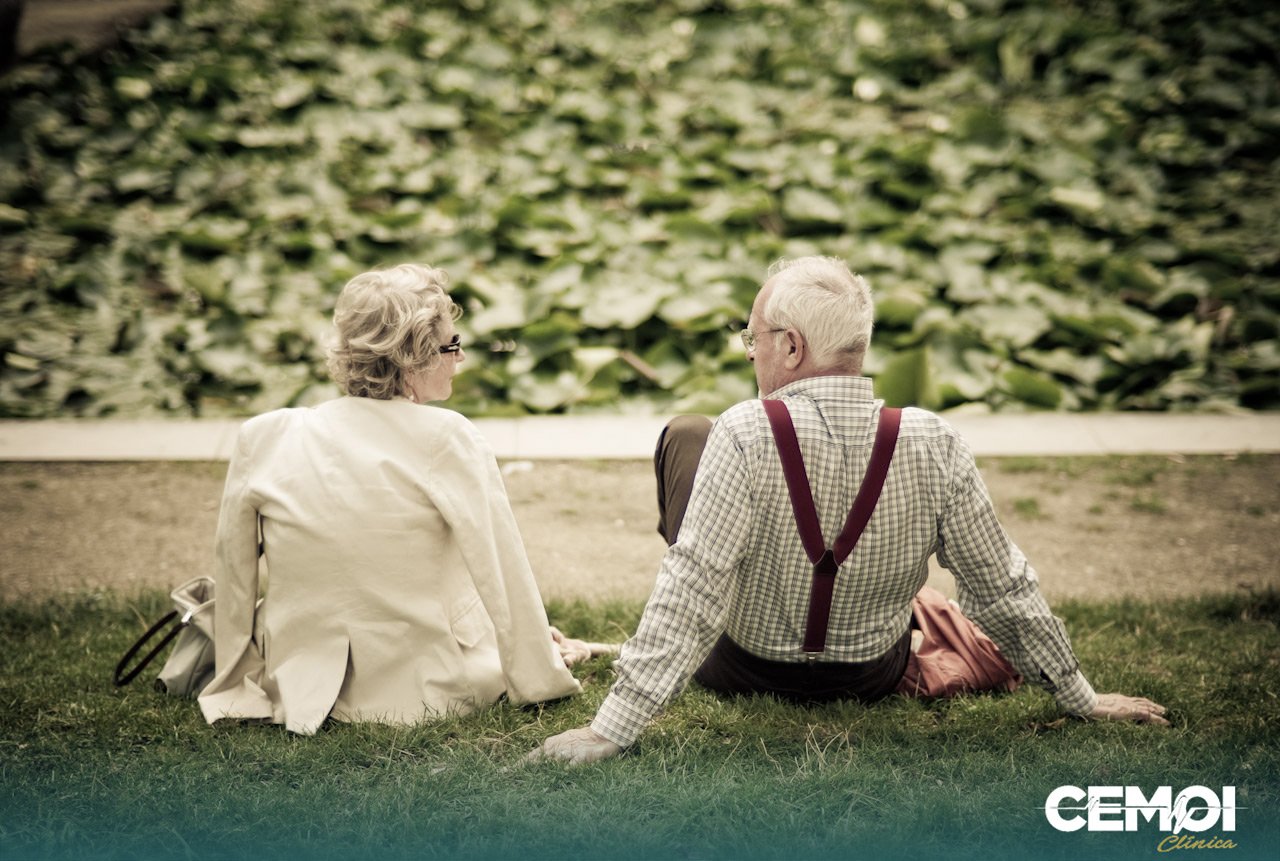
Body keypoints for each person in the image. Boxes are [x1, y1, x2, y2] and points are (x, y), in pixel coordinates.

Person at [529, 255, 1168, 764]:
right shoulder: (932, 439)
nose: (749, 351)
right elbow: (1000, 583)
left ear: (790, 346)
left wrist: (612, 729)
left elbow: (693, 587)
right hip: (870, 675)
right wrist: (1079, 697)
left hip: (742, 666)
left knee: (685, 434)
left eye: (753, 338)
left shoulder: (742, 431)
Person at [198, 263, 601, 735]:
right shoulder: (447, 437)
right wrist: (540, 672)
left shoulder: (264, 436)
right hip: (423, 687)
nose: (462, 357)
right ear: (413, 358)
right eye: (452, 345)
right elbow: (501, 569)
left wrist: (235, 685)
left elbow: (235, 576)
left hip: (296, 681)